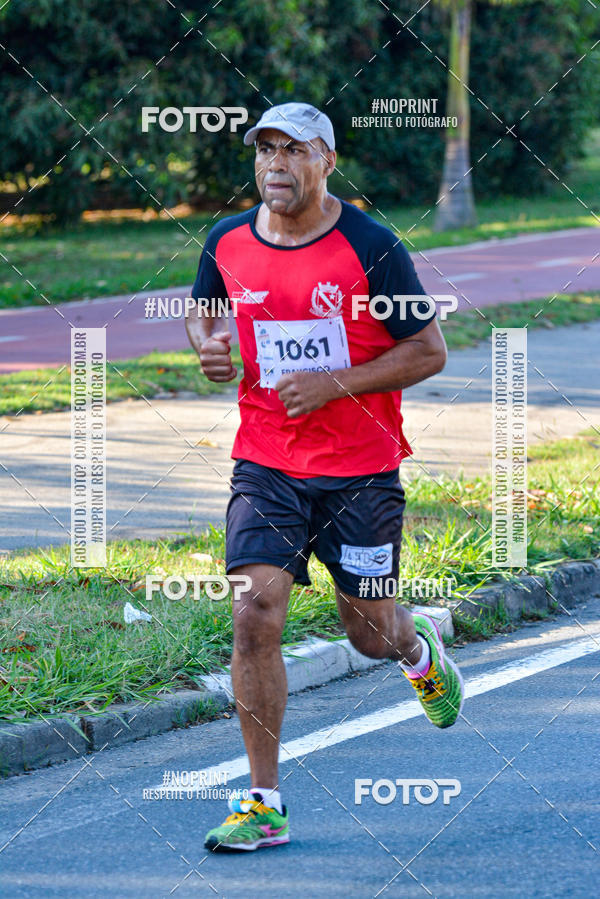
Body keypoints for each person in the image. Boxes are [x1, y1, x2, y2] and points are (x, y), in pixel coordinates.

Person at [187, 102, 465, 853]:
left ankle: (415, 647)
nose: (275, 164)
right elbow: (204, 311)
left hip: (360, 472)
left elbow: (430, 350)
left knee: (370, 634)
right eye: (265, 150)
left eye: (294, 150)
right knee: (254, 613)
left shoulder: (372, 246)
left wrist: (335, 382)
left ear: (327, 162)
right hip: (267, 460)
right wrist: (208, 343)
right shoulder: (227, 239)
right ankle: (263, 801)